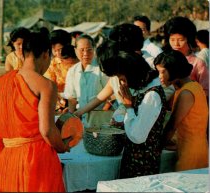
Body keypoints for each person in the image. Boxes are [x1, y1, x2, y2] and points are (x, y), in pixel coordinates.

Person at [0, 29, 70, 192]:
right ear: (46, 54)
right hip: (35, 160)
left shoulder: (0, 83)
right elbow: (47, 130)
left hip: (7, 158)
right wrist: (62, 146)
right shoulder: (45, 85)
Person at [74, 24, 174, 121]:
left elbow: (167, 91)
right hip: (127, 121)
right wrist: (77, 113)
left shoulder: (153, 66)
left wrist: (133, 104)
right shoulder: (119, 65)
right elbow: (101, 96)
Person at [97, 39, 167, 178]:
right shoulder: (142, 89)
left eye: (122, 78)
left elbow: (137, 136)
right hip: (133, 158)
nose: (122, 83)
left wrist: (129, 106)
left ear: (133, 74)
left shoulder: (152, 95)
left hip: (143, 162)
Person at [154, 50, 208, 171]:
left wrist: (155, 149)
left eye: (163, 72)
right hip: (196, 147)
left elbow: (171, 126)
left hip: (191, 153)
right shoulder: (194, 86)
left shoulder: (186, 93)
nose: (160, 77)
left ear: (174, 70)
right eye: (158, 72)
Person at [63, 34, 109, 128]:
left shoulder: (102, 68)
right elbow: (72, 99)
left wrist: (102, 113)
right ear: (75, 50)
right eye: (82, 50)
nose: (85, 54)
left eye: (89, 50)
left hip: (102, 119)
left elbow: (111, 96)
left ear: (94, 49)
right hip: (81, 118)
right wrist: (71, 118)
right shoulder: (73, 71)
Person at [163, 16, 209, 98]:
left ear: (189, 39)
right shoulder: (164, 60)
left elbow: (206, 90)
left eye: (180, 40)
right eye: (172, 39)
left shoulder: (198, 63)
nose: (176, 44)